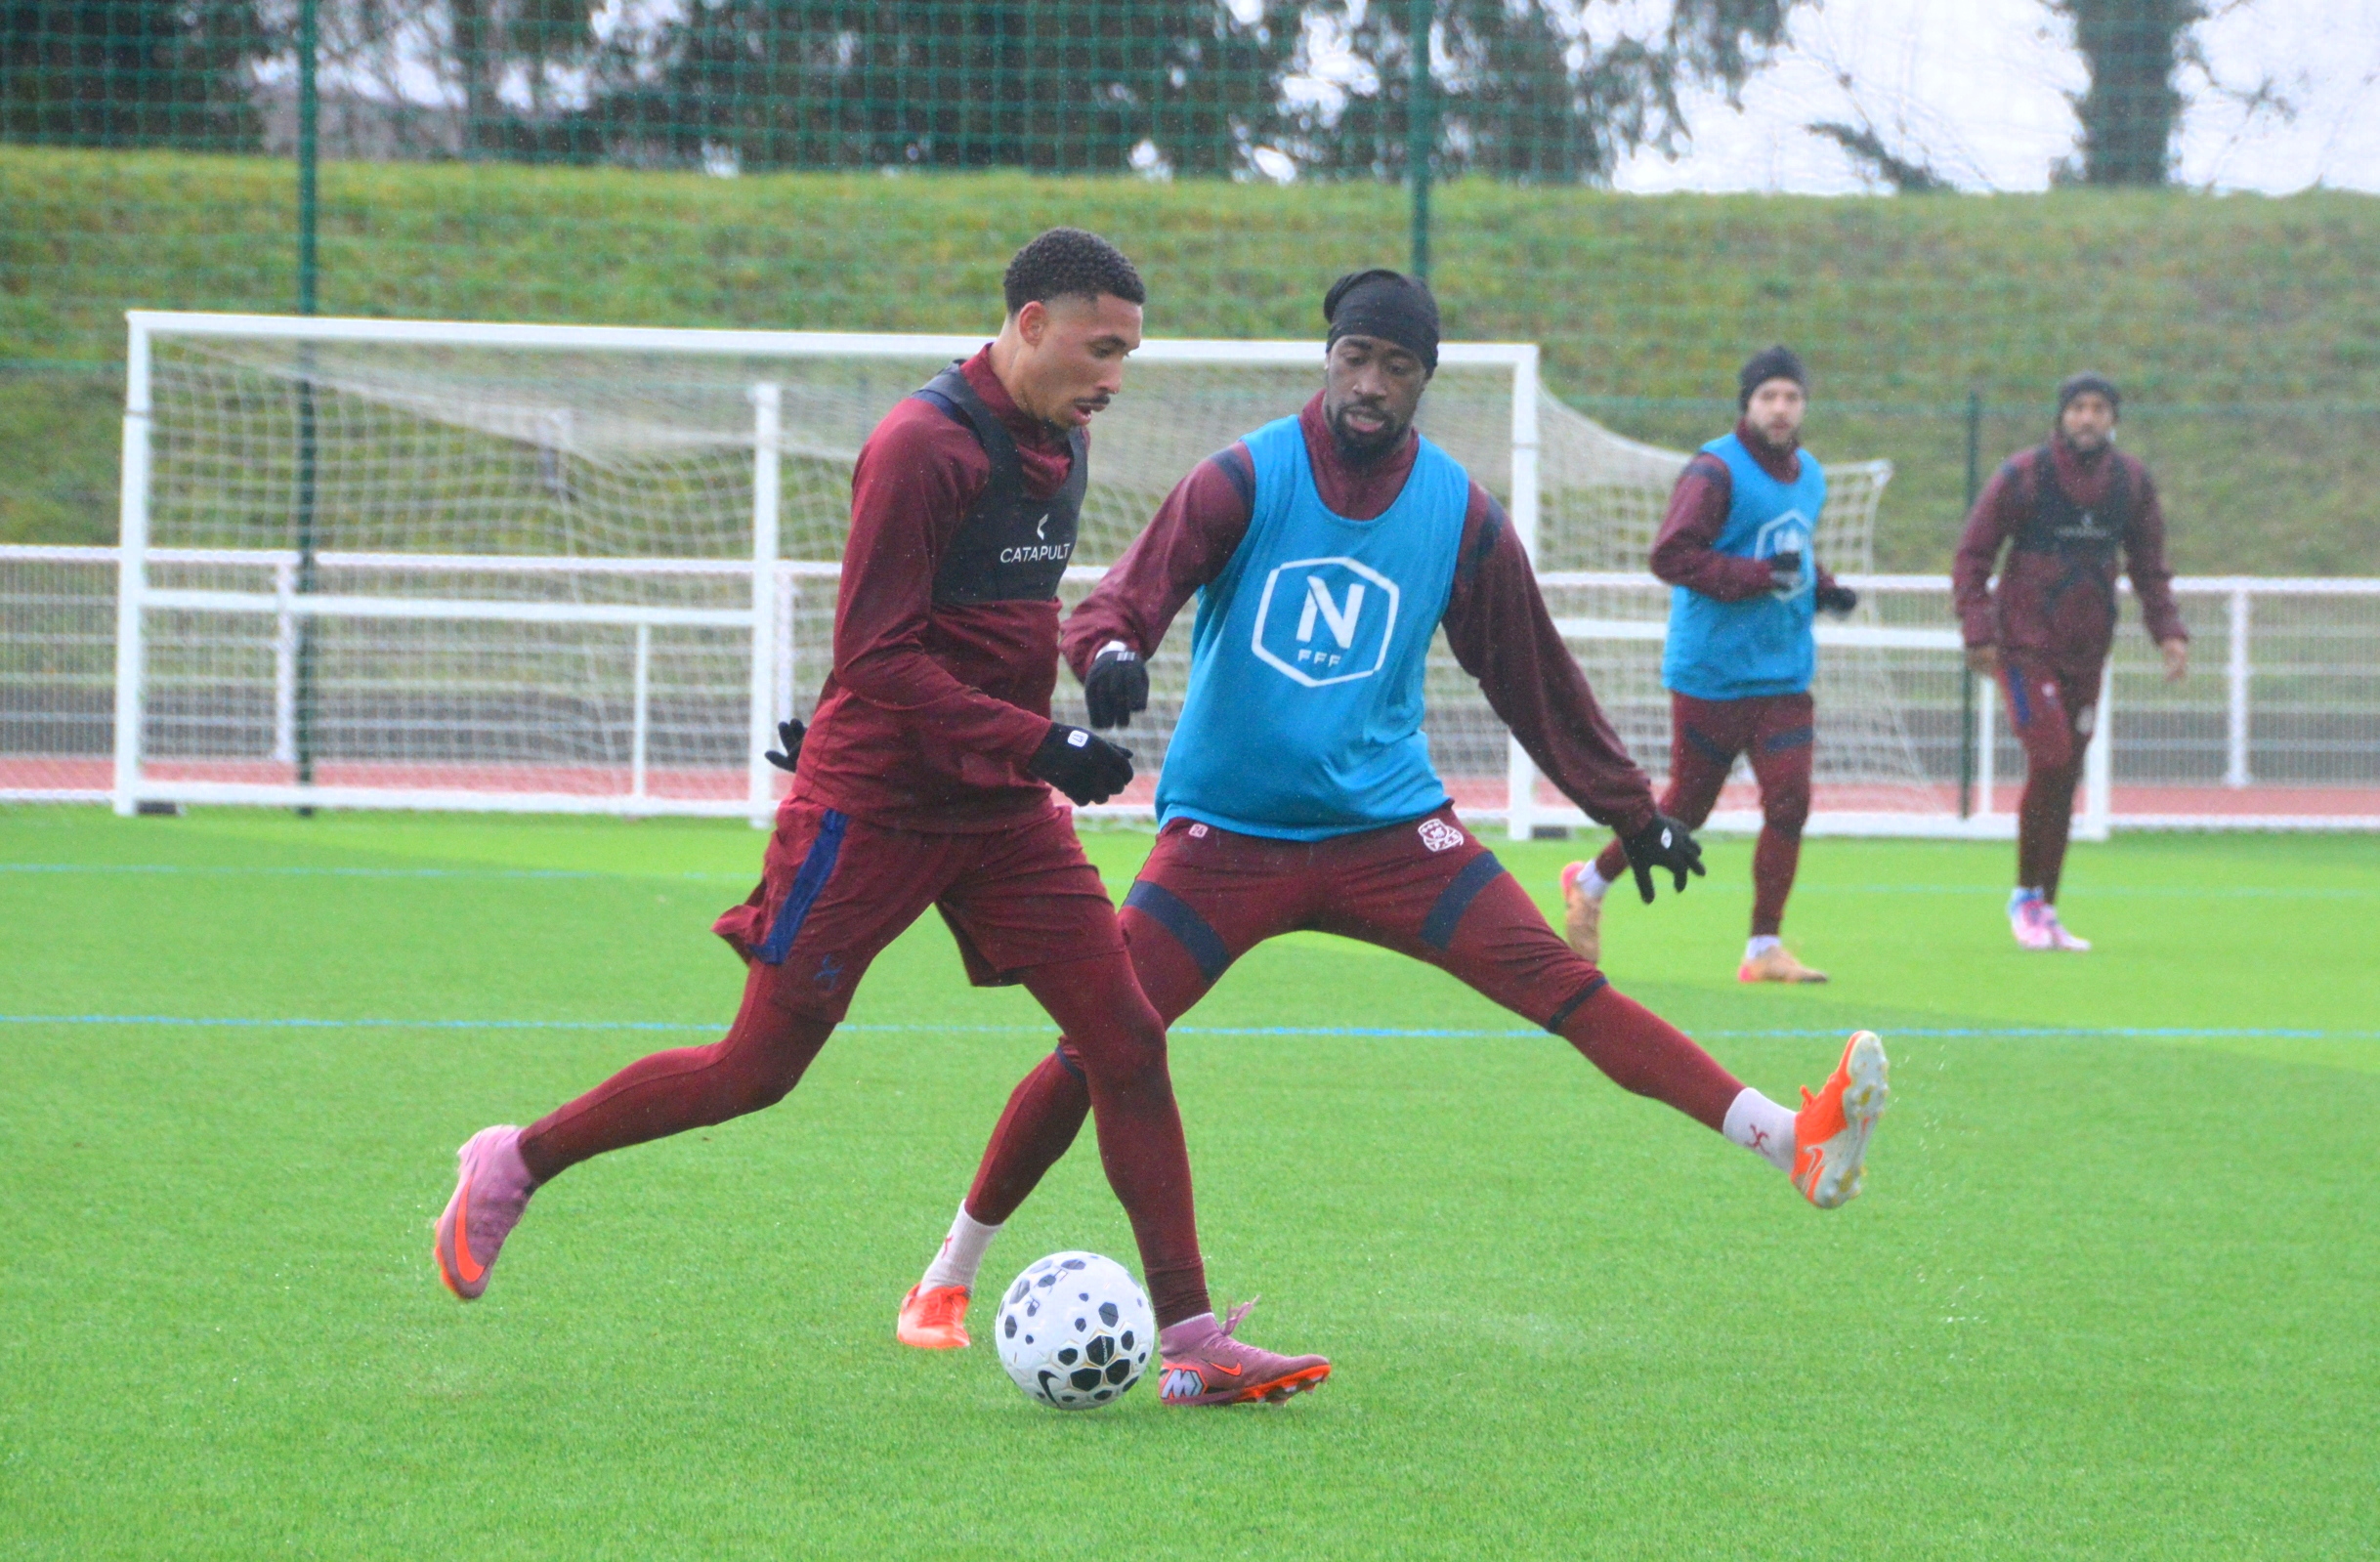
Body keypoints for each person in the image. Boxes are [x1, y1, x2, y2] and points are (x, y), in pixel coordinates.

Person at [883, 273, 1891, 1375]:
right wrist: (1111, 651)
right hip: (1227, 837)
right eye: (1356, 358)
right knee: (1099, 1046)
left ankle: (1794, 1141)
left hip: (1391, 833)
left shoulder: (1459, 513)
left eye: (1396, 367)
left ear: (1424, 381)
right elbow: (1124, 598)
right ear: (1330, 358)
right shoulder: (1244, 476)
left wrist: (1631, 813)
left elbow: (1534, 678)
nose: (1371, 383)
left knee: (1565, 987)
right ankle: (948, 1274)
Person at [431, 227, 1329, 1407]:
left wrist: (1084, 665)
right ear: (1030, 325)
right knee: (756, 1071)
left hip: (998, 811)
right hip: (877, 807)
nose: (1116, 377)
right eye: (1101, 349)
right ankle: (516, 1159)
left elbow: (991, 617)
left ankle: (1196, 1339)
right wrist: (1038, 742)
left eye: (1129, 354)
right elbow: (877, 652)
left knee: (1126, 1037)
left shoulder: (1062, 439)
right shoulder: (920, 445)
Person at [1560, 346, 1858, 984]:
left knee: (1790, 802)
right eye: (1768, 396)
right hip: (1712, 675)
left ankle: (1763, 948)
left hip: (1784, 675)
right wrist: (1758, 576)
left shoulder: (1811, 475)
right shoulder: (1714, 470)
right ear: (1747, 404)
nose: (1781, 408)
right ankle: (1589, 883)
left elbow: (1791, 550)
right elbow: (1670, 556)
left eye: (1792, 397)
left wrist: (1824, 587)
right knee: (1685, 809)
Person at [1953, 372, 2188, 950]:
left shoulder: (2130, 483)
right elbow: (1973, 555)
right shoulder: (2024, 475)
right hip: (2024, 648)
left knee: (2067, 774)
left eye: (2099, 408)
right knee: (2051, 755)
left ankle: (2046, 907)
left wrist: (2168, 631)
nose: (2088, 417)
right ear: (2061, 416)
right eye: (2078, 407)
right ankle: (2024, 898)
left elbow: (2149, 564)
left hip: (2087, 650)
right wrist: (1979, 630)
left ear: (2114, 419)